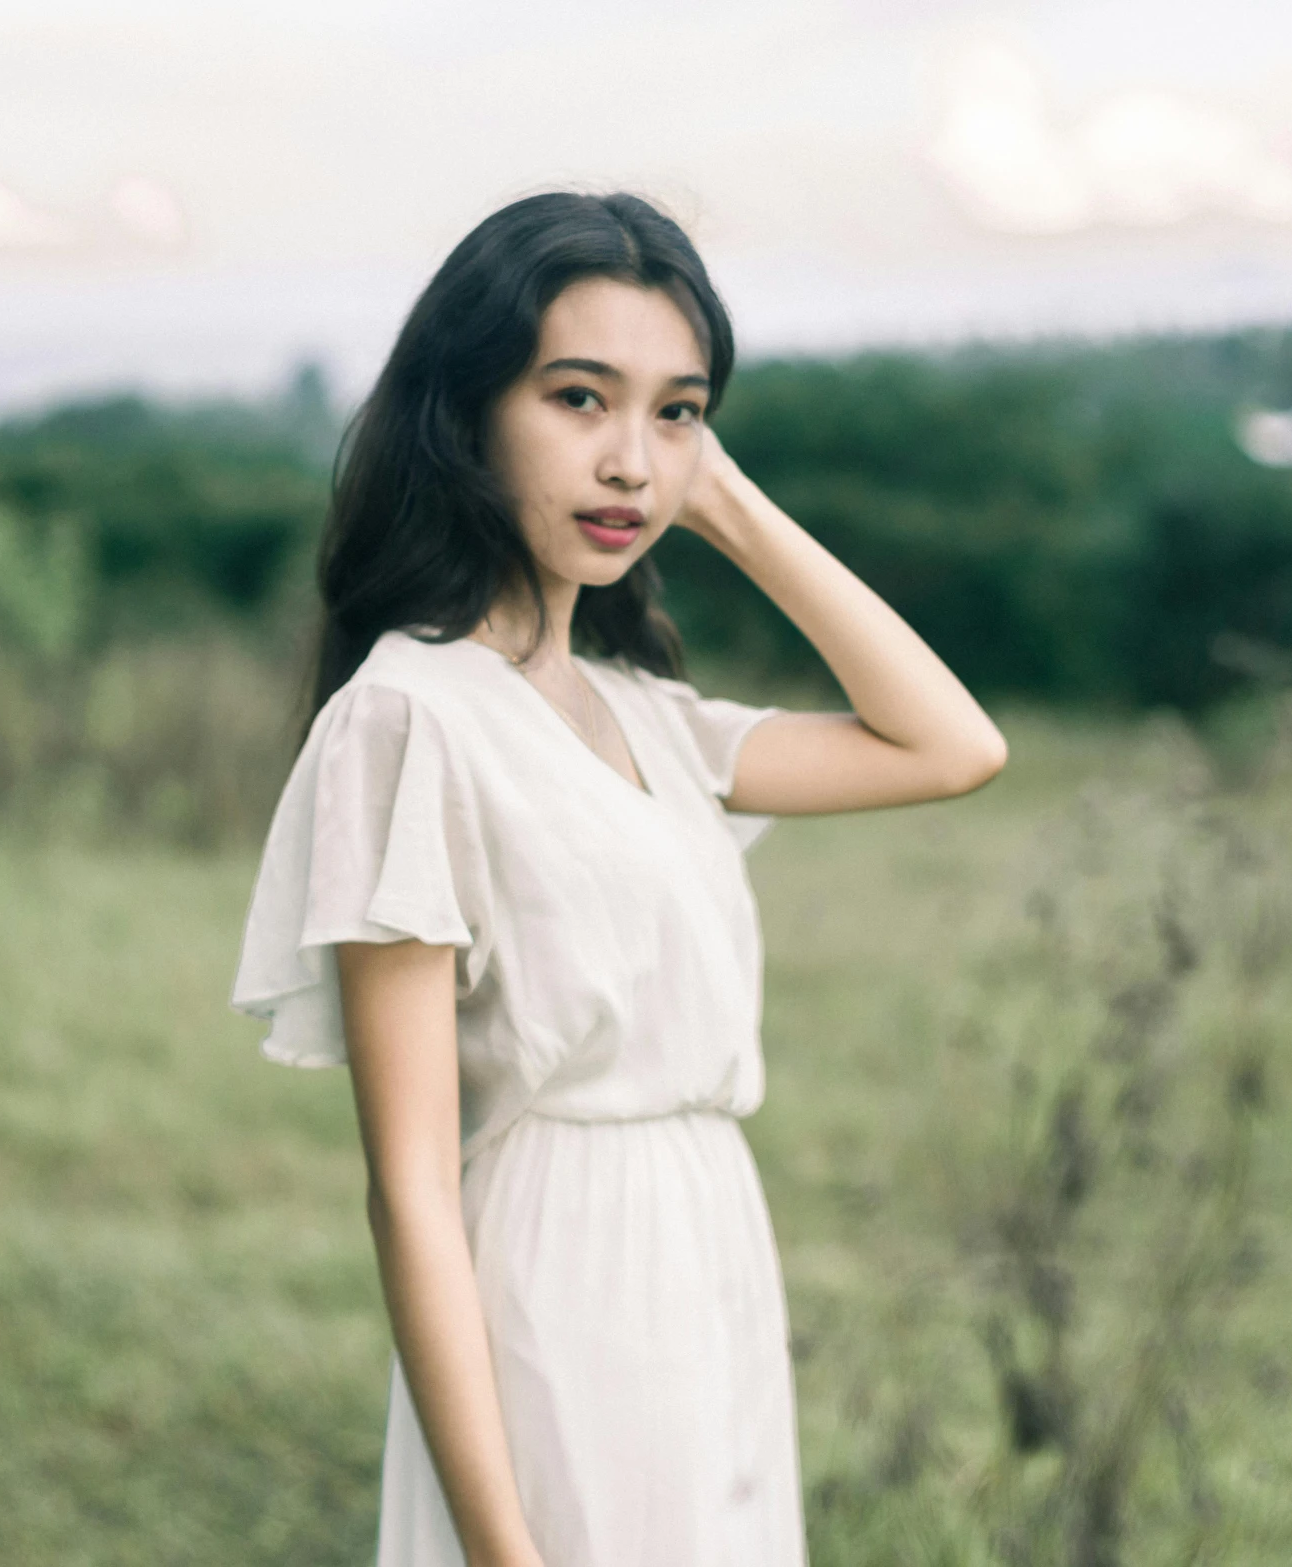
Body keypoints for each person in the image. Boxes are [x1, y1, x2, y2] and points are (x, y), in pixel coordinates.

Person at [230, 191, 1006, 1567]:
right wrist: (501, 1549)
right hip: (557, 1282)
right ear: (466, 410)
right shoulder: (410, 719)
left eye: (675, 411)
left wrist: (734, 510)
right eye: (578, 398)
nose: (629, 465)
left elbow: (951, 746)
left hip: (712, 1259)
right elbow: (408, 1185)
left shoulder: (646, 712)